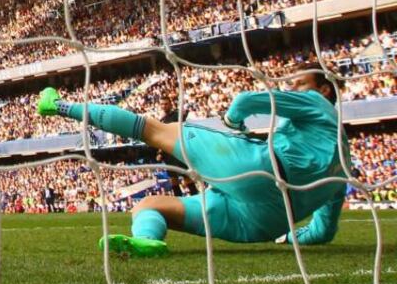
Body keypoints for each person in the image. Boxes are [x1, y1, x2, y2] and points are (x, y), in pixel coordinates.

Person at [37, 64, 348, 257]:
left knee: (154, 129)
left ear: (323, 90)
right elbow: (323, 232)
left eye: (299, 83)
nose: (291, 88)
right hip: (264, 223)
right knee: (147, 206)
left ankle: (58, 106)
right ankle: (147, 241)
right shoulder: (345, 168)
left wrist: (232, 122)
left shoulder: (318, 102)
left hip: (258, 171)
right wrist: (288, 236)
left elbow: (244, 101)